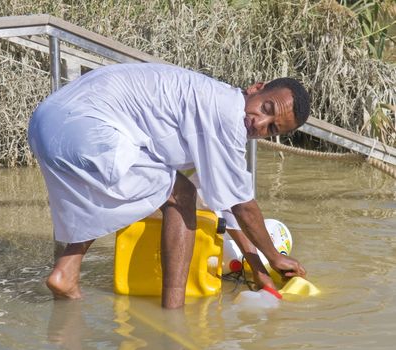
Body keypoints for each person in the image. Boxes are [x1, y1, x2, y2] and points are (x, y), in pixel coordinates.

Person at [28, 63, 309, 309]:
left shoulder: (208, 106)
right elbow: (244, 206)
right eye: (267, 109)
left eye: (271, 128)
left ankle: (66, 273)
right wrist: (274, 257)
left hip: (47, 124)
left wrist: (257, 268)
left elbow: (225, 203)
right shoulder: (227, 115)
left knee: (156, 182)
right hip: (85, 128)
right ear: (255, 88)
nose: (260, 123)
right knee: (181, 194)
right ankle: (173, 314)